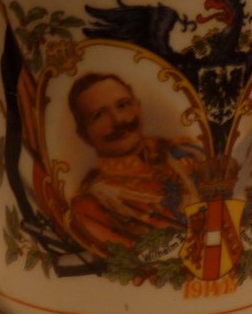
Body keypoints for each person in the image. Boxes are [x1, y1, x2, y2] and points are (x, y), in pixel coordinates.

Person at [67, 72, 205, 259]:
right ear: (84, 134)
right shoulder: (91, 207)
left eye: (123, 105)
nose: (118, 120)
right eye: (99, 115)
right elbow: (136, 262)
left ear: (138, 106)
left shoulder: (187, 153)